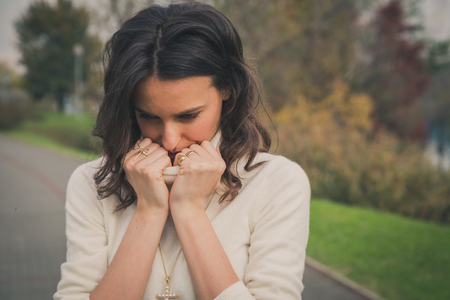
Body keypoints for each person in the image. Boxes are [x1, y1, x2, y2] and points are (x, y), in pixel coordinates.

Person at [54, 2, 310, 300]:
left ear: (227, 89)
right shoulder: (92, 183)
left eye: (188, 116)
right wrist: (149, 211)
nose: (170, 139)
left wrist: (189, 210)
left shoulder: (276, 183)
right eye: (148, 116)